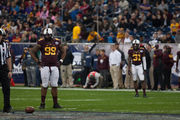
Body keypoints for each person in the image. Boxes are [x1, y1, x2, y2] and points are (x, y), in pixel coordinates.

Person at [30, 28, 66, 109]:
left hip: (54, 66)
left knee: (54, 85)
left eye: (48, 35)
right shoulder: (41, 42)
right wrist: (37, 61)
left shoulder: (57, 41)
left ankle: (55, 104)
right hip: (45, 66)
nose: (46, 37)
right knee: (45, 85)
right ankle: (42, 103)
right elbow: (32, 51)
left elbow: (64, 51)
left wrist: (61, 60)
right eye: (45, 35)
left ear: (51, 35)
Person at [0, 28, 13, 113]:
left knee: (6, 88)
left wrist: (10, 70)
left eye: (1, 36)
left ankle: (7, 106)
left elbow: (8, 58)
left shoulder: (5, 44)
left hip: (3, 67)